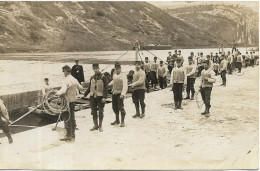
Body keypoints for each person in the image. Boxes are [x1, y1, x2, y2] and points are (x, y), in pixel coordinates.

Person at [56, 65, 83, 141]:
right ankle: (73, 135)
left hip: (66, 103)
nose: (63, 73)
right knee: (72, 118)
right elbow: (81, 88)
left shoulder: (65, 80)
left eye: (63, 72)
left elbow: (63, 91)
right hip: (73, 102)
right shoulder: (75, 79)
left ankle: (68, 135)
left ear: (65, 71)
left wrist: (57, 93)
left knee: (67, 118)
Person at [84, 63, 109, 132]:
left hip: (100, 97)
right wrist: (84, 95)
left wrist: (105, 97)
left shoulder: (103, 77)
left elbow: (106, 88)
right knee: (93, 111)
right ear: (93, 69)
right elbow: (89, 87)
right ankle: (95, 125)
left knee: (100, 111)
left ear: (99, 68)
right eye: (94, 69)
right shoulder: (92, 77)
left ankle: (100, 126)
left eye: (96, 68)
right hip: (92, 97)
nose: (95, 70)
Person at [109, 63, 127, 127]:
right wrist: (108, 84)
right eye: (116, 69)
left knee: (121, 107)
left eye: (118, 68)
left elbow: (125, 86)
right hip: (114, 93)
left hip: (120, 94)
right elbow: (113, 81)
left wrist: (123, 94)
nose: (117, 70)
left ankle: (122, 121)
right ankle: (117, 120)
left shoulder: (123, 75)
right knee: (114, 107)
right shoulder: (115, 75)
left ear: (120, 68)